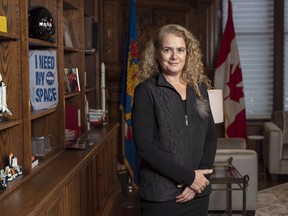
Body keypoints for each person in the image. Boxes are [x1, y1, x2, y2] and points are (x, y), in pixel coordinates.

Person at [131, 24, 217, 216]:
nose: (174, 56)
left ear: (188, 54)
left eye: (180, 50)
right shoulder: (146, 91)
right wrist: (188, 177)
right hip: (162, 196)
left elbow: (210, 136)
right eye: (167, 49)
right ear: (157, 53)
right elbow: (145, 147)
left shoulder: (199, 89)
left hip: (198, 193)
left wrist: (198, 180)